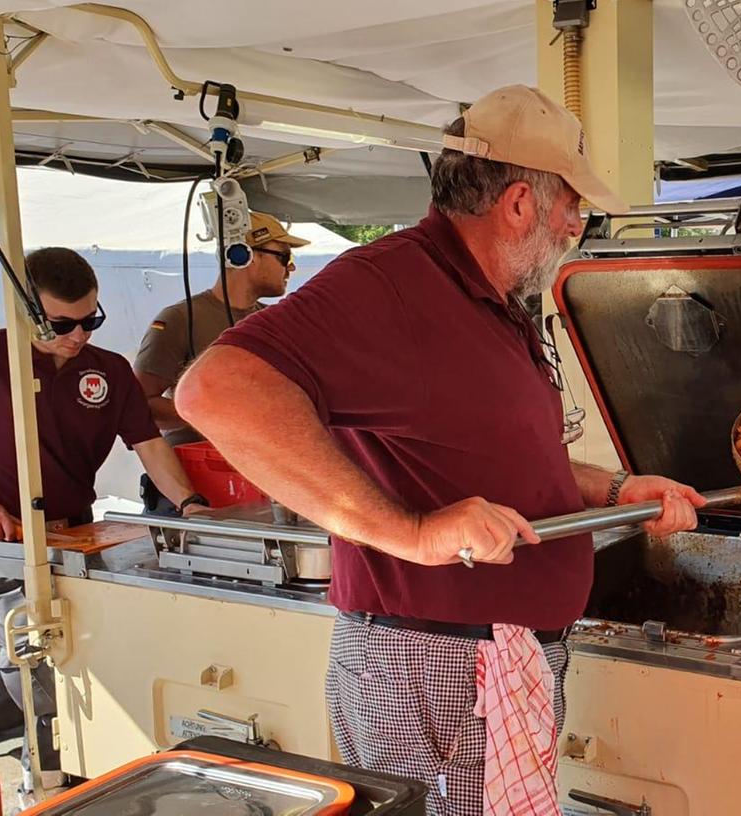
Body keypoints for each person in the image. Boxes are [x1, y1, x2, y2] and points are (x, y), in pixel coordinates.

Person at [175, 85, 706, 815]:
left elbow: (495, 453)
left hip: (487, 659)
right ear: (519, 202)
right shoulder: (392, 285)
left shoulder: (491, 301)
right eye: (571, 206)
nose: (577, 226)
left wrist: (615, 490)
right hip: (435, 666)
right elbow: (214, 390)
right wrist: (410, 533)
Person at [0, 247, 208, 796]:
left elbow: (148, 444)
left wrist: (191, 506)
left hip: (78, 542)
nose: (78, 335)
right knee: (41, 679)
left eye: (90, 320)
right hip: (1, 548)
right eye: (62, 323)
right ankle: (47, 788)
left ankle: (107, 782)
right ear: (22, 308)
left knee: (109, 668)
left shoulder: (109, 371)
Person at [133, 212, 309, 511]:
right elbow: (138, 404)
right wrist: (213, 416)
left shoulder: (274, 322)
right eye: (283, 255)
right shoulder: (179, 320)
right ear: (245, 255)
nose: (291, 266)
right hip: (192, 490)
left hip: (257, 480)